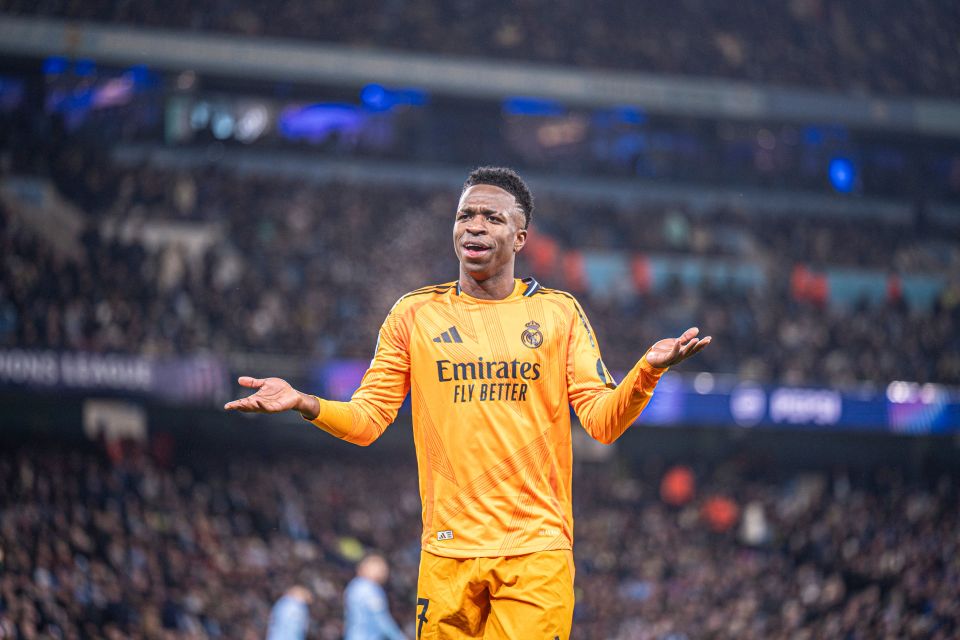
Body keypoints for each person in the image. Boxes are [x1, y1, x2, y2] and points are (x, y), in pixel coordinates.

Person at [226, 166, 711, 639]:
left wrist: (647, 371)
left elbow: (602, 422)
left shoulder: (558, 313)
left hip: (534, 554)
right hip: (446, 558)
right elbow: (368, 420)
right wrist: (305, 402)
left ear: (520, 237)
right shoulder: (414, 314)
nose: (475, 225)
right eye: (465, 215)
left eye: (492, 218)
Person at [344, 554, 407, 640]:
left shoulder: (353, 586)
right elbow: (381, 619)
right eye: (381, 569)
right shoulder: (370, 589)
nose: (384, 573)